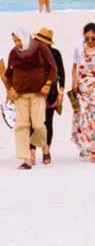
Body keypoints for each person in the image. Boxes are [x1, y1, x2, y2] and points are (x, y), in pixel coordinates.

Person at [6, 28, 53, 169]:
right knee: (21, 126)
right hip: (20, 95)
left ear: (25, 37)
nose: (17, 44)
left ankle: (42, 143)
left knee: (38, 125)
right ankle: (26, 158)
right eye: (15, 41)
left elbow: (53, 68)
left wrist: (48, 83)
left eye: (19, 40)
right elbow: (8, 73)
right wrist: (11, 89)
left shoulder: (40, 49)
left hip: (38, 94)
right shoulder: (14, 53)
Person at [71, 23, 95, 162]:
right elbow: (74, 67)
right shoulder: (79, 49)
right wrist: (74, 82)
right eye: (87, 38)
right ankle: (84, 147)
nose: (90, 41)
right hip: (82, 87)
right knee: (82, 119)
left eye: (93, 38)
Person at [34, 27, 66, 165]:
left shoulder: (55, 54)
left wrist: (61, 92)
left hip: (51, 92)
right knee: (33, 123)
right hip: (34, 92)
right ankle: (32, 151)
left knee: (48, 122)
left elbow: (61, 74)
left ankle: (46, 151)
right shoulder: (32, 53)